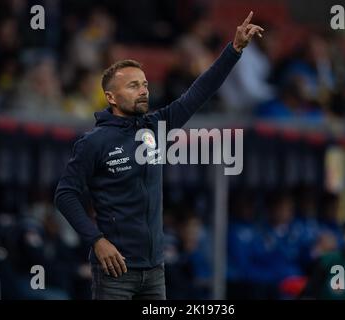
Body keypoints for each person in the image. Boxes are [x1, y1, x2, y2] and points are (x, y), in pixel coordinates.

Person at [54, 11, 264, 300]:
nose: (143, 91)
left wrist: (234, 49)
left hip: (155, 272)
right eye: (133, 86)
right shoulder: (94, 142)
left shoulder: (156, 127)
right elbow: (65, 194)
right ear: (111, 98)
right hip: (116, 272)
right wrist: (96, 241)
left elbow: (199, 92)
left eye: (145, 85)